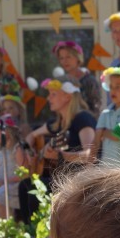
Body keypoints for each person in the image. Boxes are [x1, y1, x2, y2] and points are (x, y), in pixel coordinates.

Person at [20, 75, 96, 223]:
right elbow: (32, 135)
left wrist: (62, 156)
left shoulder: (83, 119)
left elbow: (90, 155)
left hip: (79, 180)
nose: (48, 98)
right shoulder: (57, 124)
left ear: (67, 96)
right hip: (62, 177)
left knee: (33, 192)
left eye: (53, 94)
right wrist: (30, 150)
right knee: (25, 186)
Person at [52, 41, 102, 117]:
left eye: (68, 57)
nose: (65, 61)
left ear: (77, 58)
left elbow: (96, 109)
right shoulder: (62, 82)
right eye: (61, 58)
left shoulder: (89, 81)